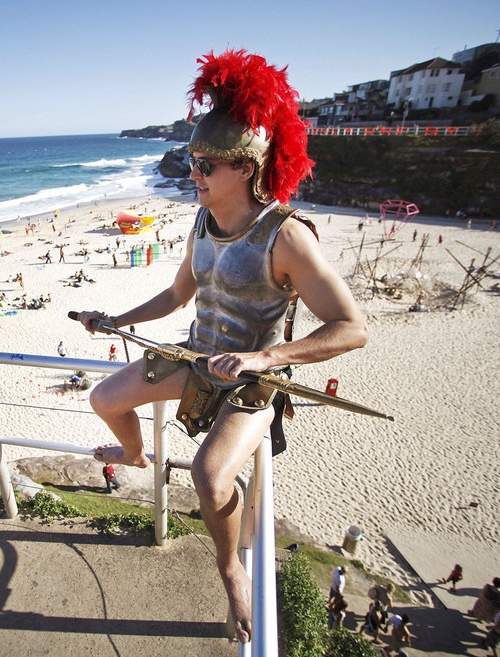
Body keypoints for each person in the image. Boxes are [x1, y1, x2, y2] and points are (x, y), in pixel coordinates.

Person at [73, 49, 368, 644]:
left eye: (205, 163)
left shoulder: (285, 236)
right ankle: (133, 457)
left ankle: (230, 569)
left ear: (247, 167)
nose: (193, 173)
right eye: (191, 159)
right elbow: (179, 294)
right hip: (195, 358)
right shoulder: (202, 224)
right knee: (105, 399)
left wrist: (266, 358)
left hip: (253, 381)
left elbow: (351, 327)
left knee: (211, 478)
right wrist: (115, 319)